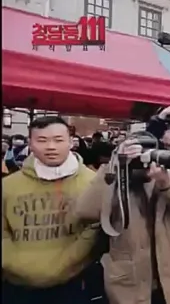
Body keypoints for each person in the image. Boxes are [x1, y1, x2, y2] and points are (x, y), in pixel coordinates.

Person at [74, 135, 170, 304]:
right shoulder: (114, 179)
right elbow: (85, 211)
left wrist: (168, 186)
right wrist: (115, 166)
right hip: (130, 283)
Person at [2, 116, 98, 304]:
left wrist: (68, 261)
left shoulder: (92, 183)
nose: (51, 147)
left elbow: (94, 229)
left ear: (71, 142)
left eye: (58, 140)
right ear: (30, 143)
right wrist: (12, 262)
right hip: (15, 285)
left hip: (73, 283)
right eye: (42, 140)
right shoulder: (8, 185)